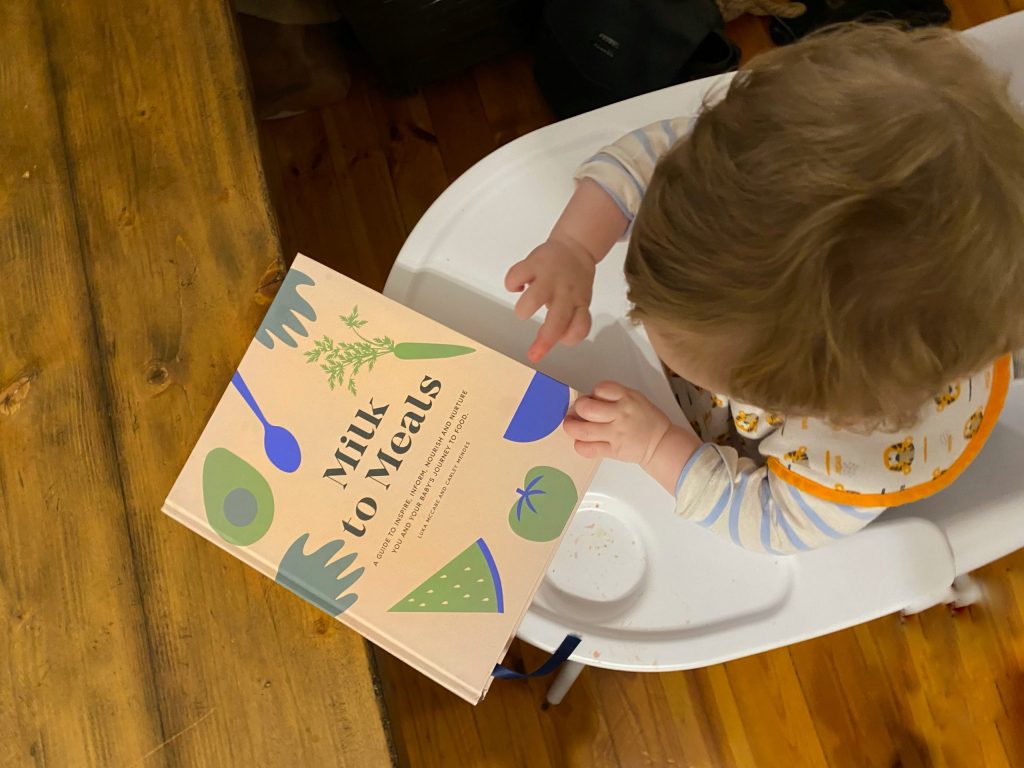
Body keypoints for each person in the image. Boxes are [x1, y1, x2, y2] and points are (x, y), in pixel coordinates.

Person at [504, 24, 1024, 554]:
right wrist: (574, 246)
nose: (637, 315)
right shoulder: (756, 163)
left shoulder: (856, 458)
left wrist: (658, 444)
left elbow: (771, 522)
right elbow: (650, 155)